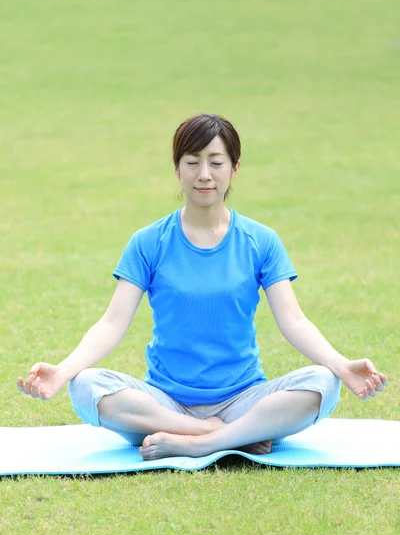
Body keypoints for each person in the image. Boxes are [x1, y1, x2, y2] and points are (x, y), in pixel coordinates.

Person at [17, 113, 388, 460]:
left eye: (216, 161)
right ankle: (218, 433)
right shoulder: (148, 242)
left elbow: (294, 321)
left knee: (323, 382)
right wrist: (63, 371)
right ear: (177, 168)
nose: (204, 174)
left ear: (235, 168)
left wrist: (341, 366)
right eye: (192, 162)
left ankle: (203, 443)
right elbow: (113, 323)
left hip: (243, 399)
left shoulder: (261, 240)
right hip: (164, 406)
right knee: (85, 387)